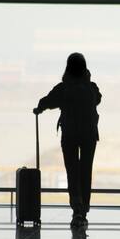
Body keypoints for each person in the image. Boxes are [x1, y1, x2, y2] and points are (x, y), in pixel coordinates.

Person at [33, 53, 101, 228]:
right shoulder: (91, 87)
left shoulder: (64, 88)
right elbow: (98, 99)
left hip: (69, 135)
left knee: (72, 171)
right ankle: (84, 210)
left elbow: (48, 101)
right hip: (89, 135)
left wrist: (39, 108)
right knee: (85, 171)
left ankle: (76, 209)